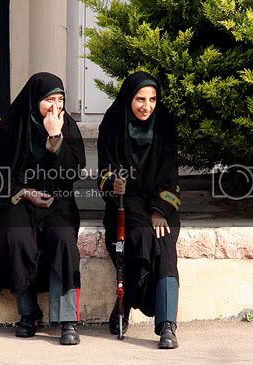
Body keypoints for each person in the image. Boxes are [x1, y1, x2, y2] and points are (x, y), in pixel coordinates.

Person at [0, 72, 86, 345]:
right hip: (20, 199)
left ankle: (67, 320)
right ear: (34, 99)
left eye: (60, 99)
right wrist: (25, 193)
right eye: (48, 100)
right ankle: (28, 313)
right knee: (16, 235)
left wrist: (56, 138)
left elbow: (73, 171)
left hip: (57, 201)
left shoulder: (68, 127)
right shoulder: (11, 125)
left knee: (63, 239)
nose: (55, 107)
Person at [97, 71, 181, 349]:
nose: (147, 106)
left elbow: (171, 178)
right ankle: (126, 302)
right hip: (125, 202)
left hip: (161, 202)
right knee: (141, 236)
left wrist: (160, 210)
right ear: (128, 98)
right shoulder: (111, 123)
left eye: (153, 99)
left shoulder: (165, 125)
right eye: (140, 99)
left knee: (165, 245)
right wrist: (114, 183)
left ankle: (167, 324)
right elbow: (103, 173)